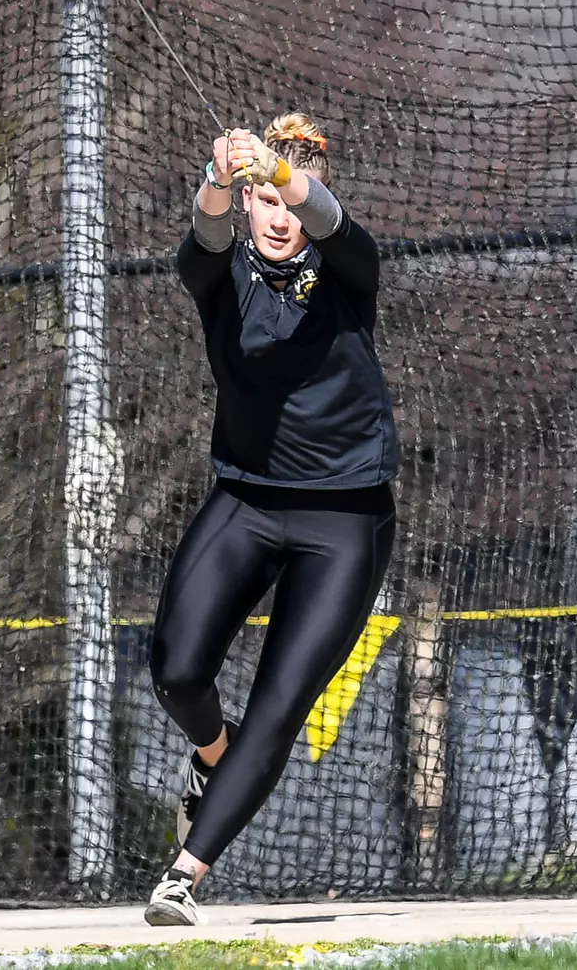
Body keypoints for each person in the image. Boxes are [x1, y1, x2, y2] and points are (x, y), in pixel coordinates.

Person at [143, 113, 399, 926]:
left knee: (280, 705)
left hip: (345, 519)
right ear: (249, 206)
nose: (282, 218)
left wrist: (279, 171)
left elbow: (324, 216)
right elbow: (202, 231)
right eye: (266, 201)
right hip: (247, 499)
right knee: (178, 671)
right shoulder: (220, 272)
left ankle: (182, 876)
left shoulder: (348, 264)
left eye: (292, 199)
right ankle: (212, 759)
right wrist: (223, 177)